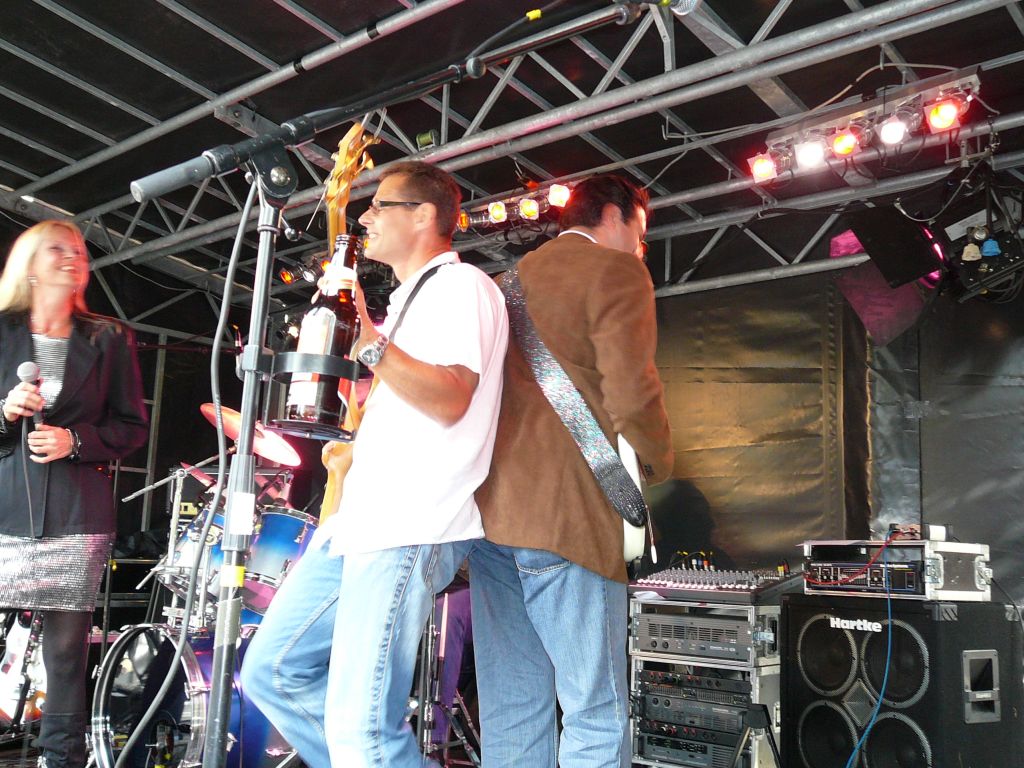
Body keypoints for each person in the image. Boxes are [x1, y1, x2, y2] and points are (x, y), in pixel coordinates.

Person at [240, 160, 509, 768]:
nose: (364, 217)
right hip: (359, 525)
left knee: (363, 730)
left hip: (408, 524)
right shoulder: (408, 301)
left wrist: (367, 340)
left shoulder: (461, 287)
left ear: (423, 215)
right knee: (272, 672)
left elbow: (450, 399)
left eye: (379, 205)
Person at [470, 174, 673, 767]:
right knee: (595, 710)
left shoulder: (504, 282)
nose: (639, 248)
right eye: (639, 232)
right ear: (612, 215)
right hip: (568, 515)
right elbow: (633, 393)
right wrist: (657, 463)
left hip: (491, 520)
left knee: (512, 706)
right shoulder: (616, 271)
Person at [0, 220, 148, 768]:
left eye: (80, 251)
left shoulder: (108, 337)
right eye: (57, 249)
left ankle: (61, 758)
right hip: (4, 507)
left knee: (65, 655)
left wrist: (76, 440)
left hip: (76, 513)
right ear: (29, 266)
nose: (73, 257)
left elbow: (131, 427)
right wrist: (4, 414)